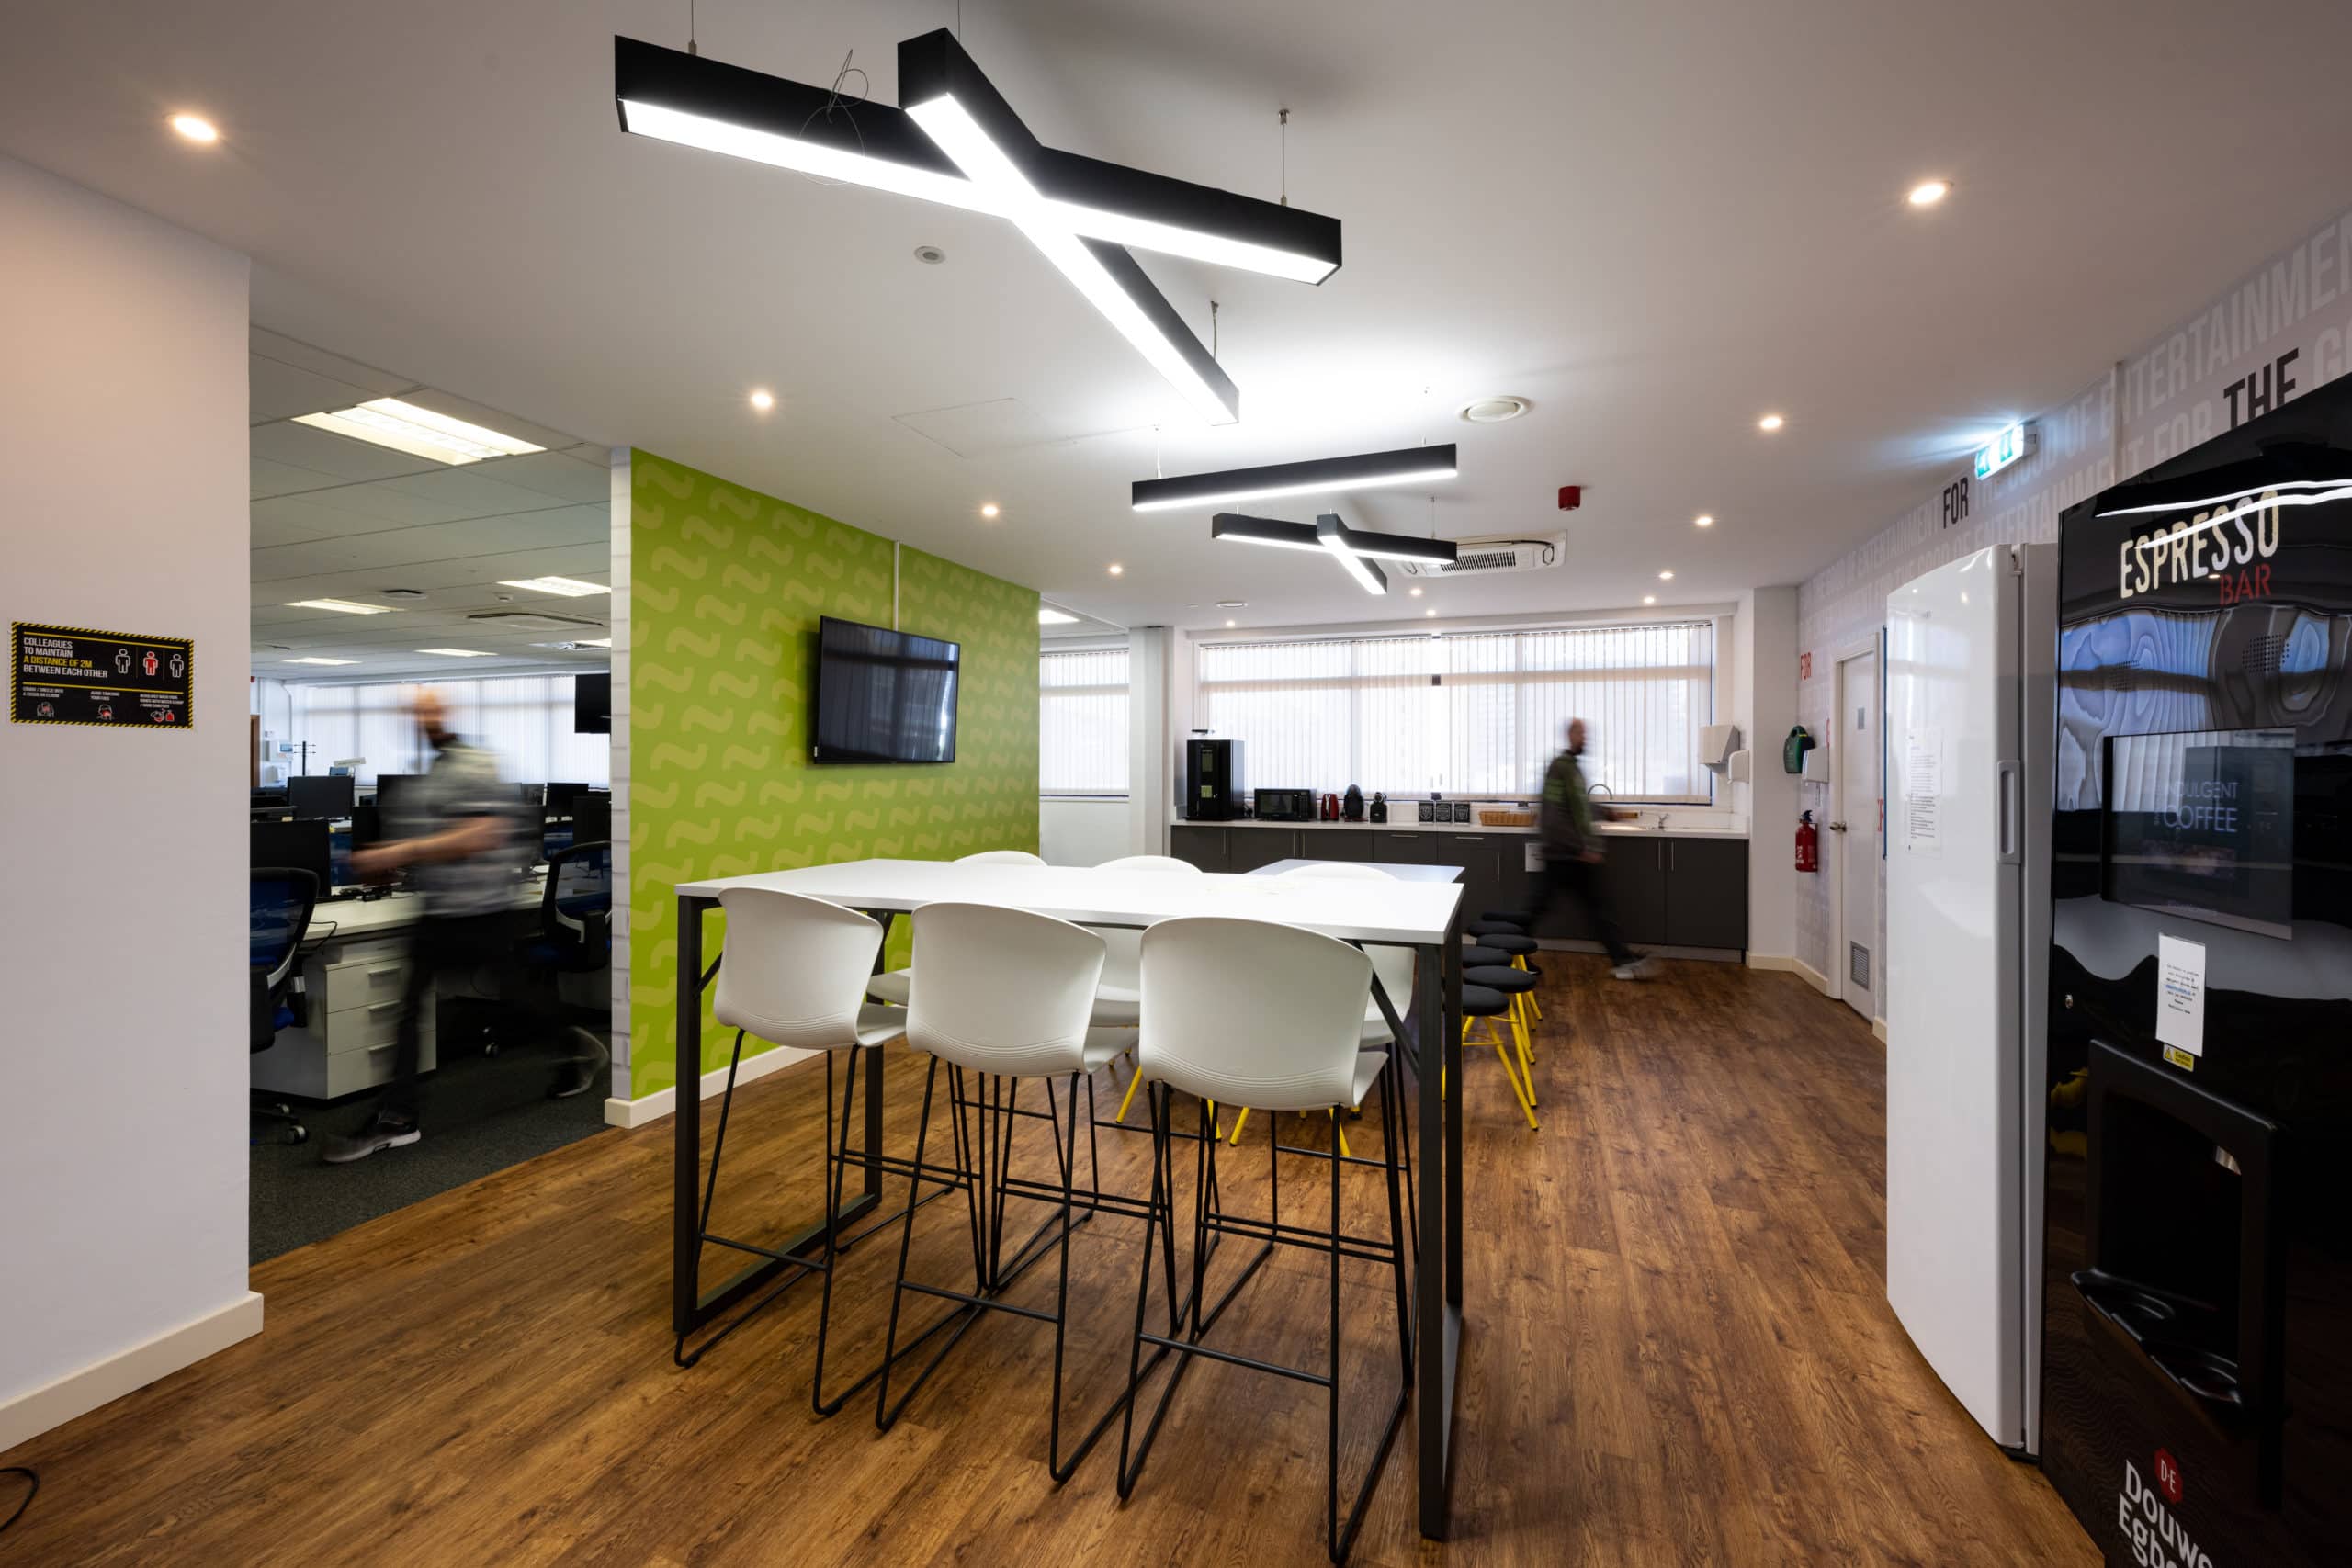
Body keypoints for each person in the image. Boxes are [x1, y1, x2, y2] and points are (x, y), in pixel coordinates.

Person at [322, 688, 601, 1163]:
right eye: (414, 712)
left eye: (426, 711)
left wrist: (398, 852)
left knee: (517, 998)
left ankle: (574, 1048)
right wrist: (394, 867)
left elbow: (480, 834)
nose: (419, 719)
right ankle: (398, 1117)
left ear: (443, 714)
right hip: (437, 909)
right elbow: (436, 841)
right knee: (412, 1008)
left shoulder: (474, 765)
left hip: (481, 909)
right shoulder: (430, 774)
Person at [1518, 717, 1657, 980]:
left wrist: (1607, 812)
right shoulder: (1559, 767)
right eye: (1581, 734)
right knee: (1546, 908)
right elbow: (1553, 813)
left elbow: (1580, 806)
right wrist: (1578, 847)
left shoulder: (1573, 769)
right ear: (1570, 735)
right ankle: (1513, 953)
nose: (1585, 738)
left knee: (1583, 907)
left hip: (1571, 855)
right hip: (1564, 855)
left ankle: (1621, 958)